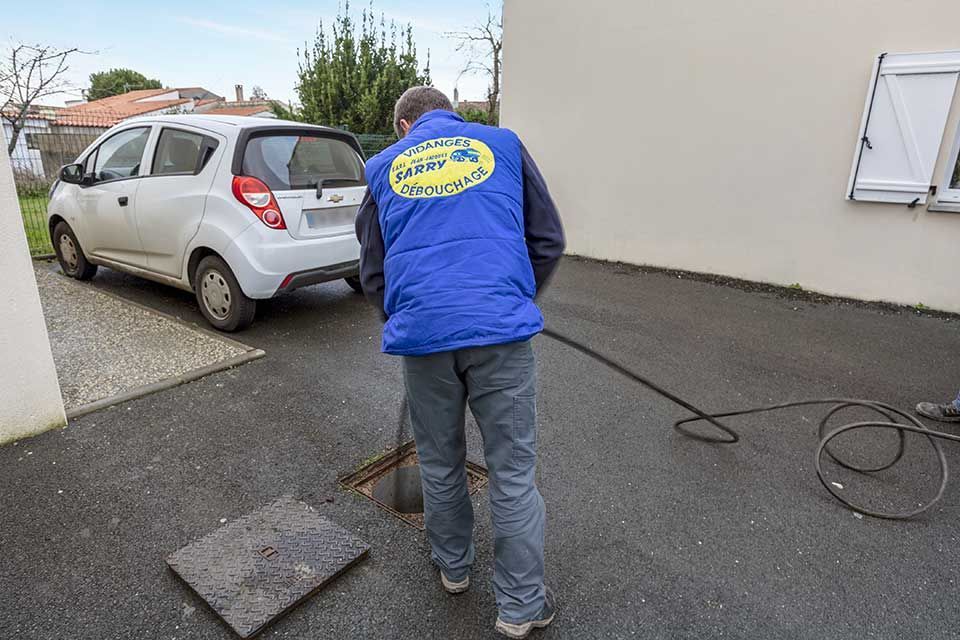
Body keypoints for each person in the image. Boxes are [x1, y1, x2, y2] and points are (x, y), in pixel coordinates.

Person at [355, 86, 565, 639]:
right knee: (513, 473)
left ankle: (453, 568)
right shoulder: (504, 144)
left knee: (440, 461)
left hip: (424, 340)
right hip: (501, 336)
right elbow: (547, 238)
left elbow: (372, 269)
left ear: (404, 126)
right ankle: (520, 608)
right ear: (451, 110)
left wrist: (410, 316)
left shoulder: (382, 167)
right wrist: (511, 302)